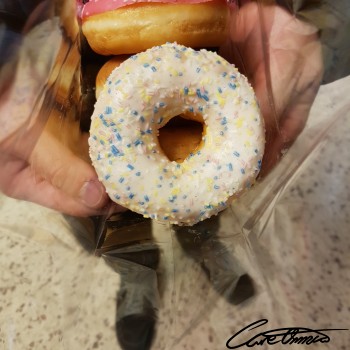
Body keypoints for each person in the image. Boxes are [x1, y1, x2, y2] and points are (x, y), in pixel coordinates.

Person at [0, 0, 348, 216]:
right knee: (114, 226)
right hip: (71, 118)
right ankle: (135, 284)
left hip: (237, 80)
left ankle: (215, 264)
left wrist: (321, 24)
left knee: (216, 211)